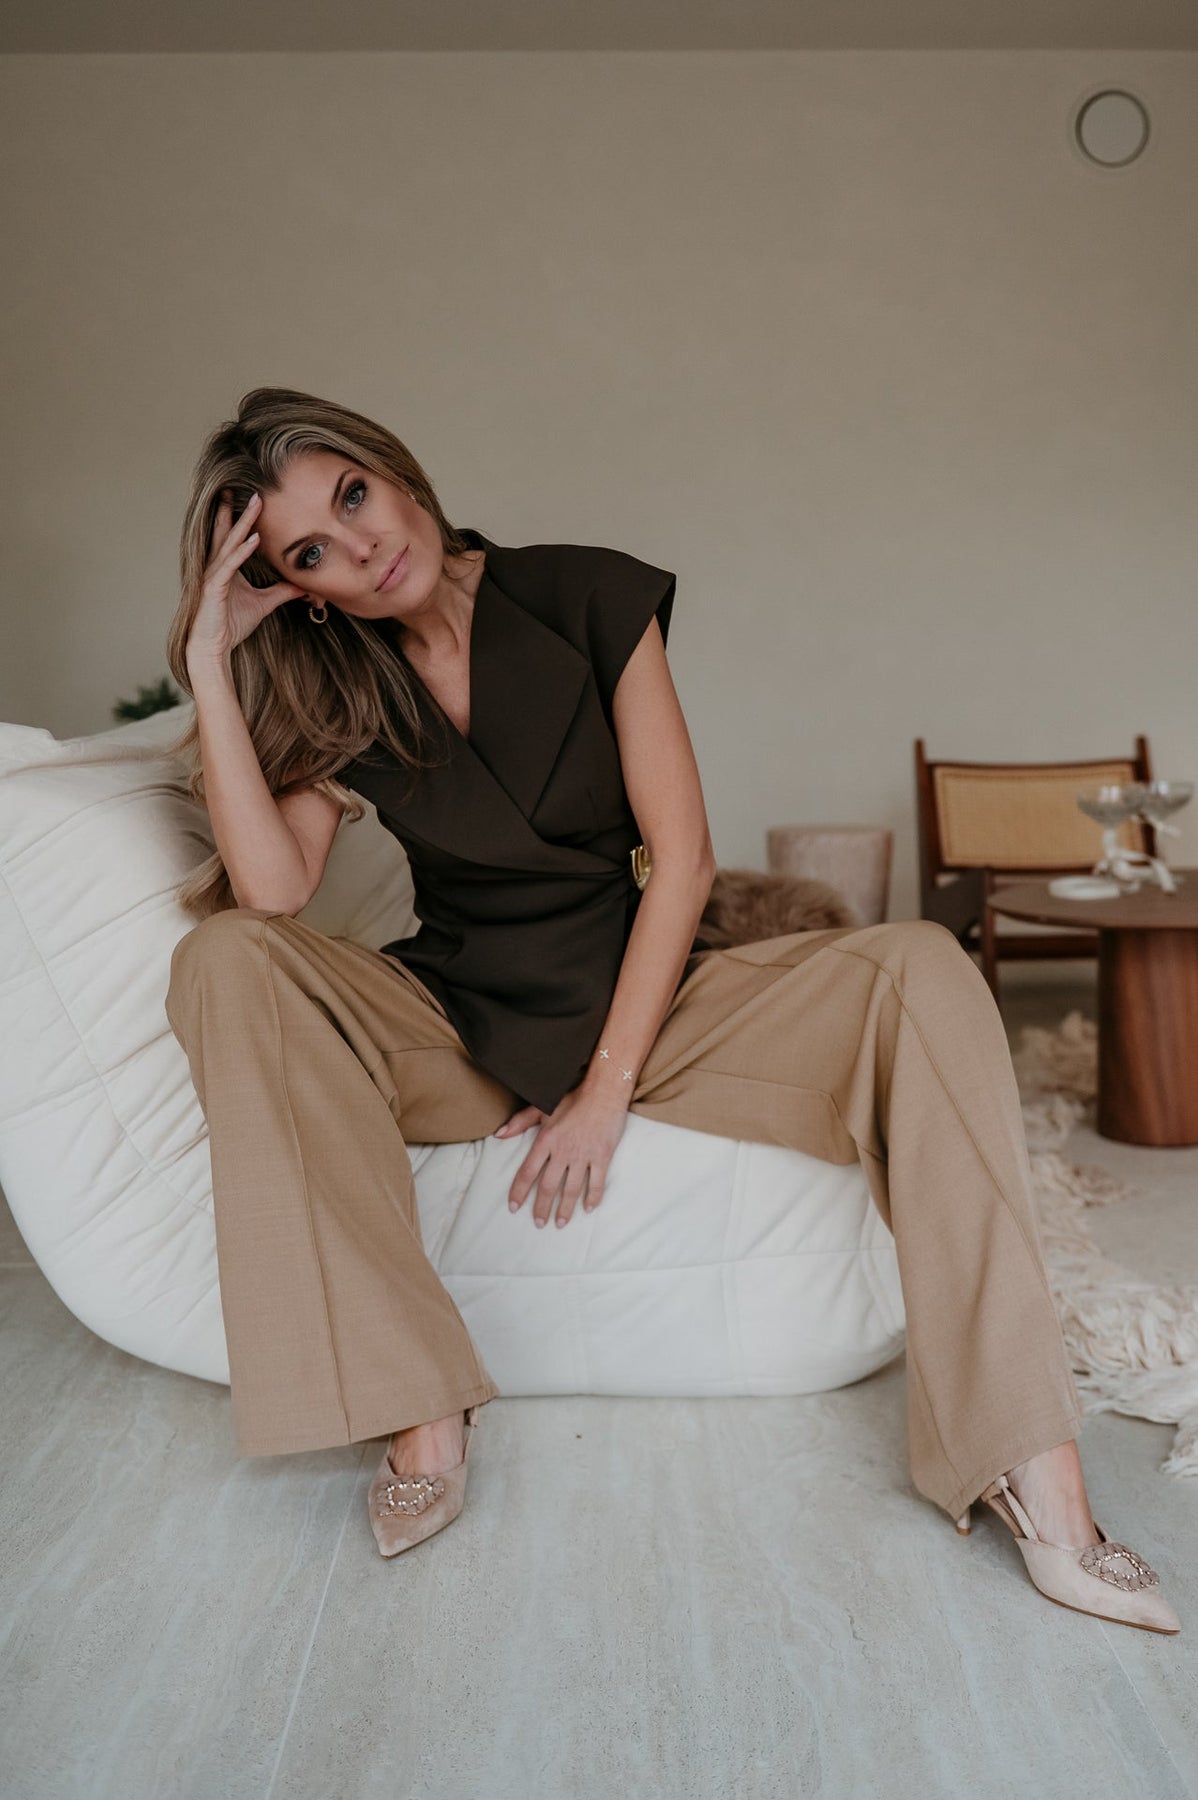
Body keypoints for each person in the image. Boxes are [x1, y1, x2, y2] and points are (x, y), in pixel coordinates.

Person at [162, 386, 1178, 1633]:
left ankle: (1033, 1469)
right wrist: (209, 662)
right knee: (226, 959)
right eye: (311, 551)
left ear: (394, 469)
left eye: (353, 495)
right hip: (465, 1021)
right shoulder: (343, 685)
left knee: (920, 963)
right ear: (298, 590)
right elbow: (271, 894)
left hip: (657, 992)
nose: (360, 545)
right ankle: (421, 1402)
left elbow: (682, 859)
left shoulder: (586, 593)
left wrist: (603, 1091)